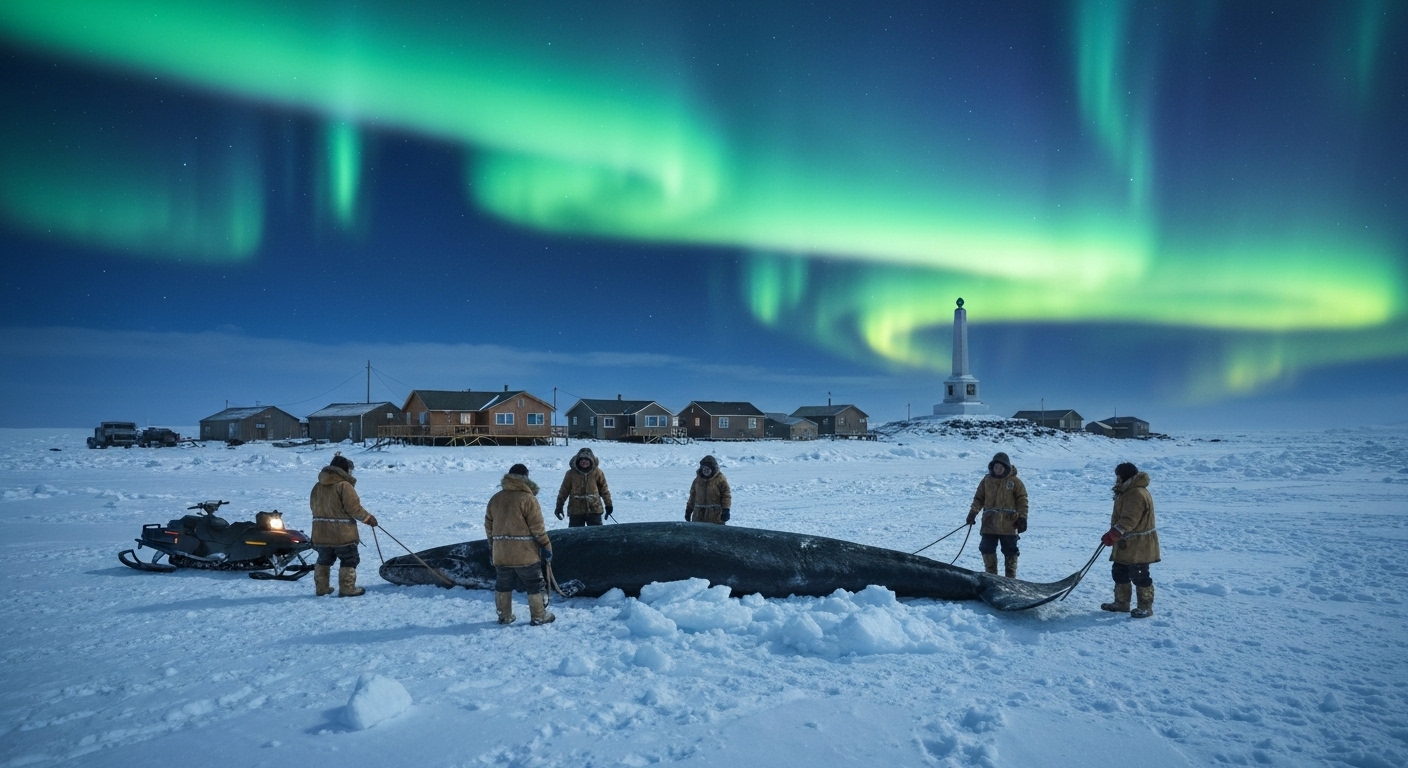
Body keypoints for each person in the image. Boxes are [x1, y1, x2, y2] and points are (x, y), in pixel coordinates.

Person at [485, 463, 555, 626]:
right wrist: (546, 546)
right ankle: (539, 616)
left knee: (503, 584)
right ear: (526, 477)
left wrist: (494, 545)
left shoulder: (496, 499)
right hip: (525, 553)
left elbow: (489, 526)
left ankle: (504, 616)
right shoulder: (528, 499)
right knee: (534, 583)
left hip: (501, 552)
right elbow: (537, 528)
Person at [309, 452, 379, 597]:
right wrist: (368, 518)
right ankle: (347, 589)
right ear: (344, 470)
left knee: (324, 559)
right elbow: (353, 508)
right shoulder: (344, 486)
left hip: (320, 532)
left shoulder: (317, 486)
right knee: (349, 559)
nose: (350, 472)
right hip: (341, 534)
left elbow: (313, 508)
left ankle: (322, 589)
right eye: (349, 470)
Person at [1100, 462, 1160, 618]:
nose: (1116, 479)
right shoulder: (1128, 491)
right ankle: (1121, 603)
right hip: (1127, 543)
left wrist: (1114, 533)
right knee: (1119, 572)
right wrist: (1114, 534)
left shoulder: (1136, 494)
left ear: (1124, 476)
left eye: (1118, 476)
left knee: (1139, 575)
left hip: (1139, 544)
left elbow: (1129, 519)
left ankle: (1145, 607)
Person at [965, 451, 1028, 578]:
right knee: (986, 548)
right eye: (996, 467)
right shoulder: (986, 481)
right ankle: (992, 577)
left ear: (1006, 468)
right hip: (989, 523)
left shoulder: (1015, 482)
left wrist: (1022, 517)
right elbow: (979, 498)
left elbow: (1022, 500)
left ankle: (1010, 579)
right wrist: (973, 513)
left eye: (1001, 467)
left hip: (1009, 524)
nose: (998, 469)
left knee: (1010, 551)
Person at [554, 447, 613, 526]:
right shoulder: (570, 474)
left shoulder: (597, 473)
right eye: (582, 459)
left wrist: (608, 505)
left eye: (587, 459)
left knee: (595, 533)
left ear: (591, 460)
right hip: (576, 511)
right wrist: (559, 507)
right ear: (578, 460)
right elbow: (563, 491)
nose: (584, 462)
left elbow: (604, 490)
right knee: (575, 533)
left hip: (594, 510)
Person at [685, 455, 731, 524]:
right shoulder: (697, 481)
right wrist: (689, 510)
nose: (706, 471)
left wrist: (726, 509)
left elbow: (726, 496)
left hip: (715, 517)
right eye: (704, 468)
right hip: (698, 516)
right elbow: (692, 497)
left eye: (708, 469)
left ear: (713, 469)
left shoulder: (720, 480)